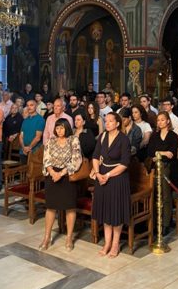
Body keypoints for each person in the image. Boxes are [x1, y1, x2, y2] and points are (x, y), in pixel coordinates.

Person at [91, 112, 131, 258]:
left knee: (116, 211)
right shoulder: (102, 136)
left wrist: (107, 175)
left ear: (117, 123)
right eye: (106, 121)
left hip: (117, 178)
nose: (107, 123)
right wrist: (97, 173)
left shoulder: (124, 139)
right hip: (101, 177)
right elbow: (95, 156)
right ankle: (107, 243)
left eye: (110, 121)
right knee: (105, 211)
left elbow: (125, 164)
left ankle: (115, 244)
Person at [39, 119, 82, 251]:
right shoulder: (51, 141)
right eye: (57, 128)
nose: (59, 131)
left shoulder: (73, 140)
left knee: (70, 207)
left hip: (67, 176)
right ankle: (47, 237)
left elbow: (77, 160)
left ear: (67, 128)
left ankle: (69, 238)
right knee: (50, 207)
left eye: (62, 128)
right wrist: (53, 172)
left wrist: (61, 173)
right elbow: (46, 159)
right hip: (52, 175)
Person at [146, 111, 178, 234]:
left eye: (162, 120)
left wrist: (158, 154)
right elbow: (150, 152)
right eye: (158, 120)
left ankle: (166, 223)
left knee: (165, 195)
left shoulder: (173, 136)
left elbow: (172, 154)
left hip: (168, 168)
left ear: (168, 121)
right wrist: (163, 153)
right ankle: (155, 222)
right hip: (155, 167)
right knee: (155, 195)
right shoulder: (154, 135)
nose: (160, 122)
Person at [20, 99, 45, 165]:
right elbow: (21, 136)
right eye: (27, 105)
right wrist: (23, 148)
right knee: (22, 169)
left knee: (30, 170)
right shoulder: (25, 120)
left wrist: (29, 147)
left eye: (31, 105)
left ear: (36, 106)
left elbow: (38, 137)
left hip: (34, 150)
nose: (29, 107)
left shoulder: (40, 119)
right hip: (23, 150)